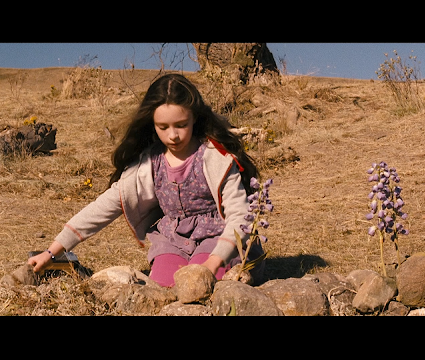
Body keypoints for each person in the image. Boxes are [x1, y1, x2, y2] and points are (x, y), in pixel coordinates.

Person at [28, 73, 265, 287]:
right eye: (163, 127)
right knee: (162, 286)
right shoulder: (147, 165)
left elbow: (240, 214)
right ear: (152, 124)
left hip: (218, 237)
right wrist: (52, 252)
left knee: (204, 285)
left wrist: (213, 263)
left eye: (181, 125)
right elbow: (102, 209)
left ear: (195, 118)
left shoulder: (215, 157)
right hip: (174, 240)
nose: (173, 135)